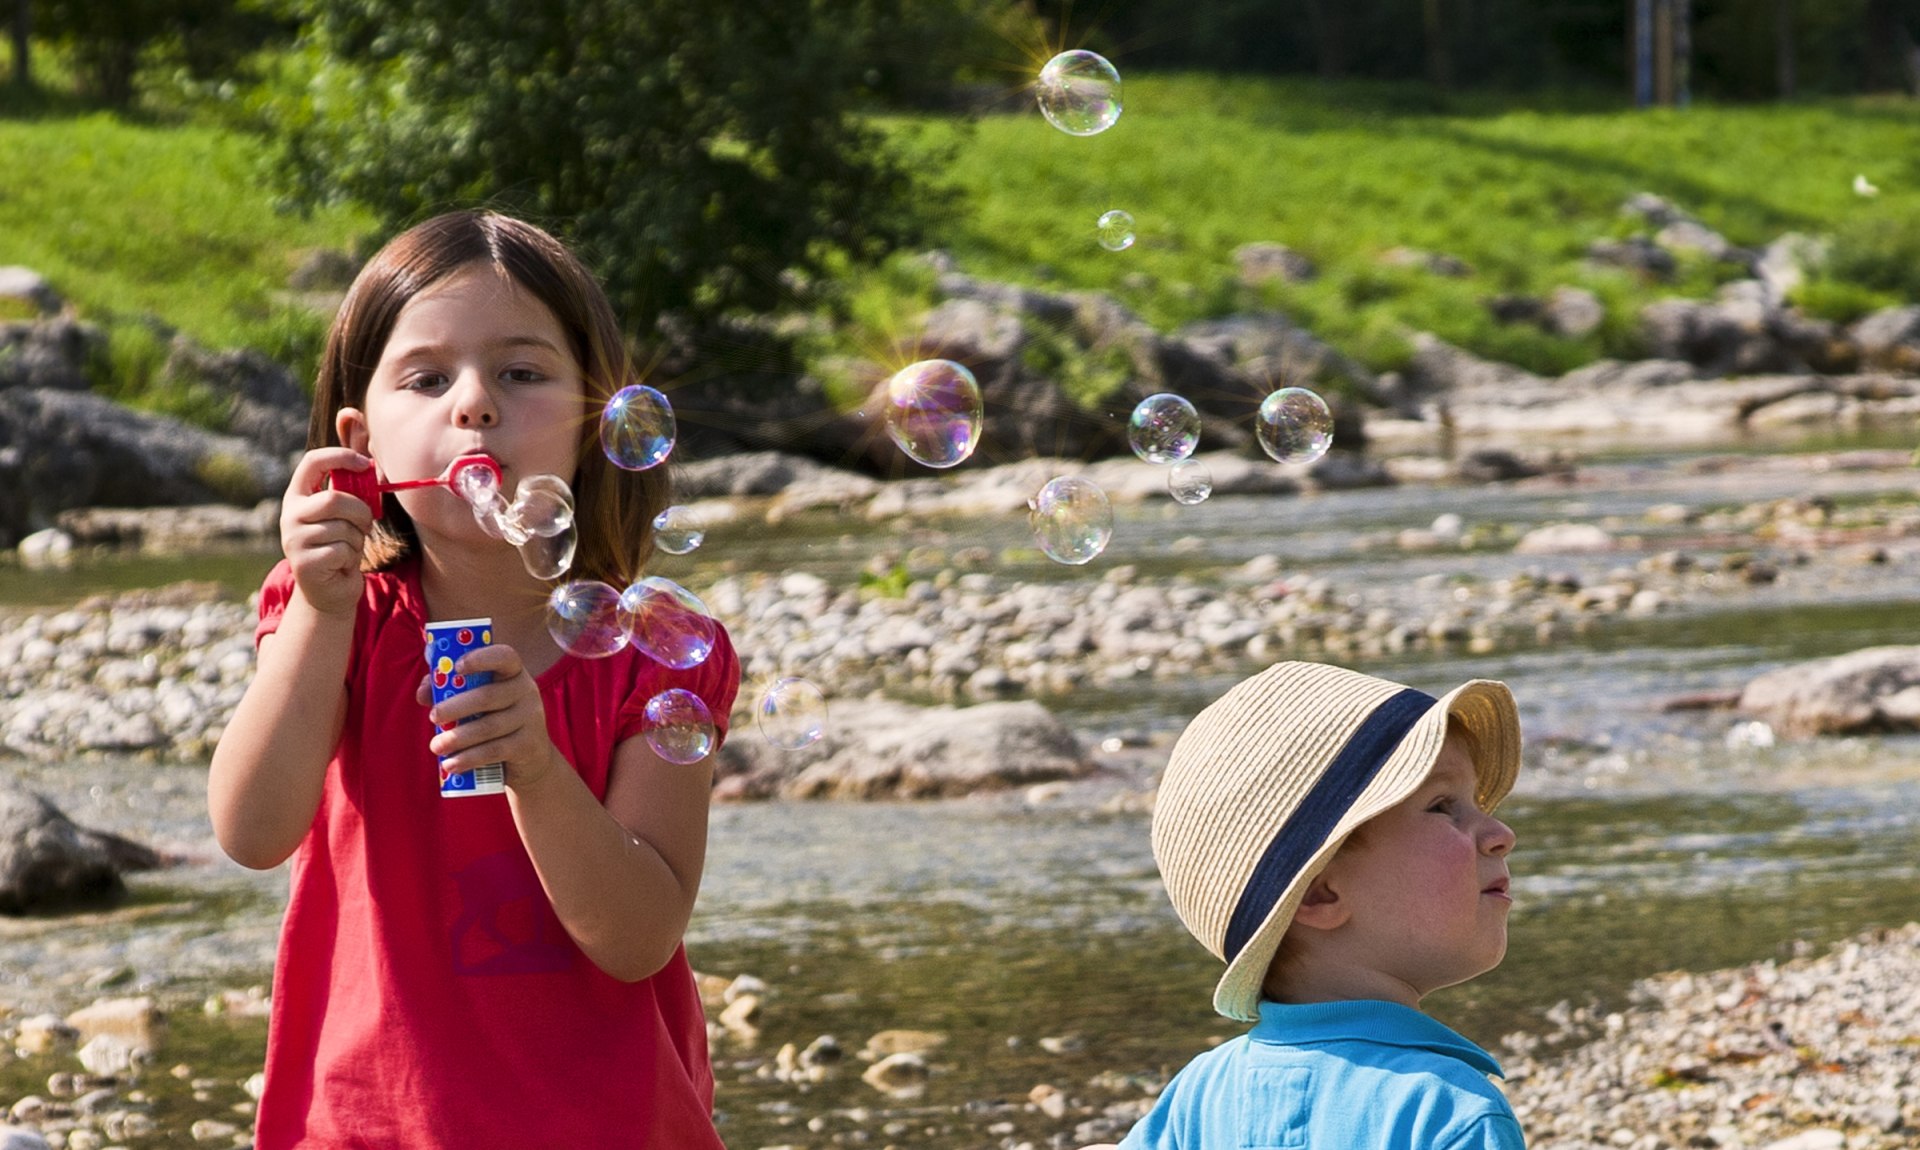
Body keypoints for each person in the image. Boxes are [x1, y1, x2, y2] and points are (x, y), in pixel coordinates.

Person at [208, 210, 739, 1149]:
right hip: (367, 1123)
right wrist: (323, 614)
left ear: (594, 420)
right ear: (361, 441)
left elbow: (637, 937)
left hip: (606, 1127)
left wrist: (536, 770)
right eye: (427, 378)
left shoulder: (658, 650)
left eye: (523, 374)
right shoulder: (342, 616)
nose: (475, 405)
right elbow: (252, 832)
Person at [1095, 660, 1527, 1149]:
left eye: (1479, 806)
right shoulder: (1448, 1112)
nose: (1501, 835)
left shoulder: (1199, 1095)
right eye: (1442, 805)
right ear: (1321, 892)